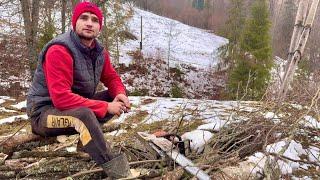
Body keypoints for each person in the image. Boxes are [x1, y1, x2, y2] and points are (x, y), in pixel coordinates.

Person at [26, 2, 131, 178]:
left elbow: (112, 78)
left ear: (99, 27)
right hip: (44, 114)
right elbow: (60, 99)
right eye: (84, 18)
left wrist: (120, 93)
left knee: (114, 97)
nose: (89, 23)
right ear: (75, 23)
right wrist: (105, 107)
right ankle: (118, 171)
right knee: (84, 114)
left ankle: (86, 144)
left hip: (73, 109)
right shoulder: (59, 49)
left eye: (95, 20)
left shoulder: (99, 52)